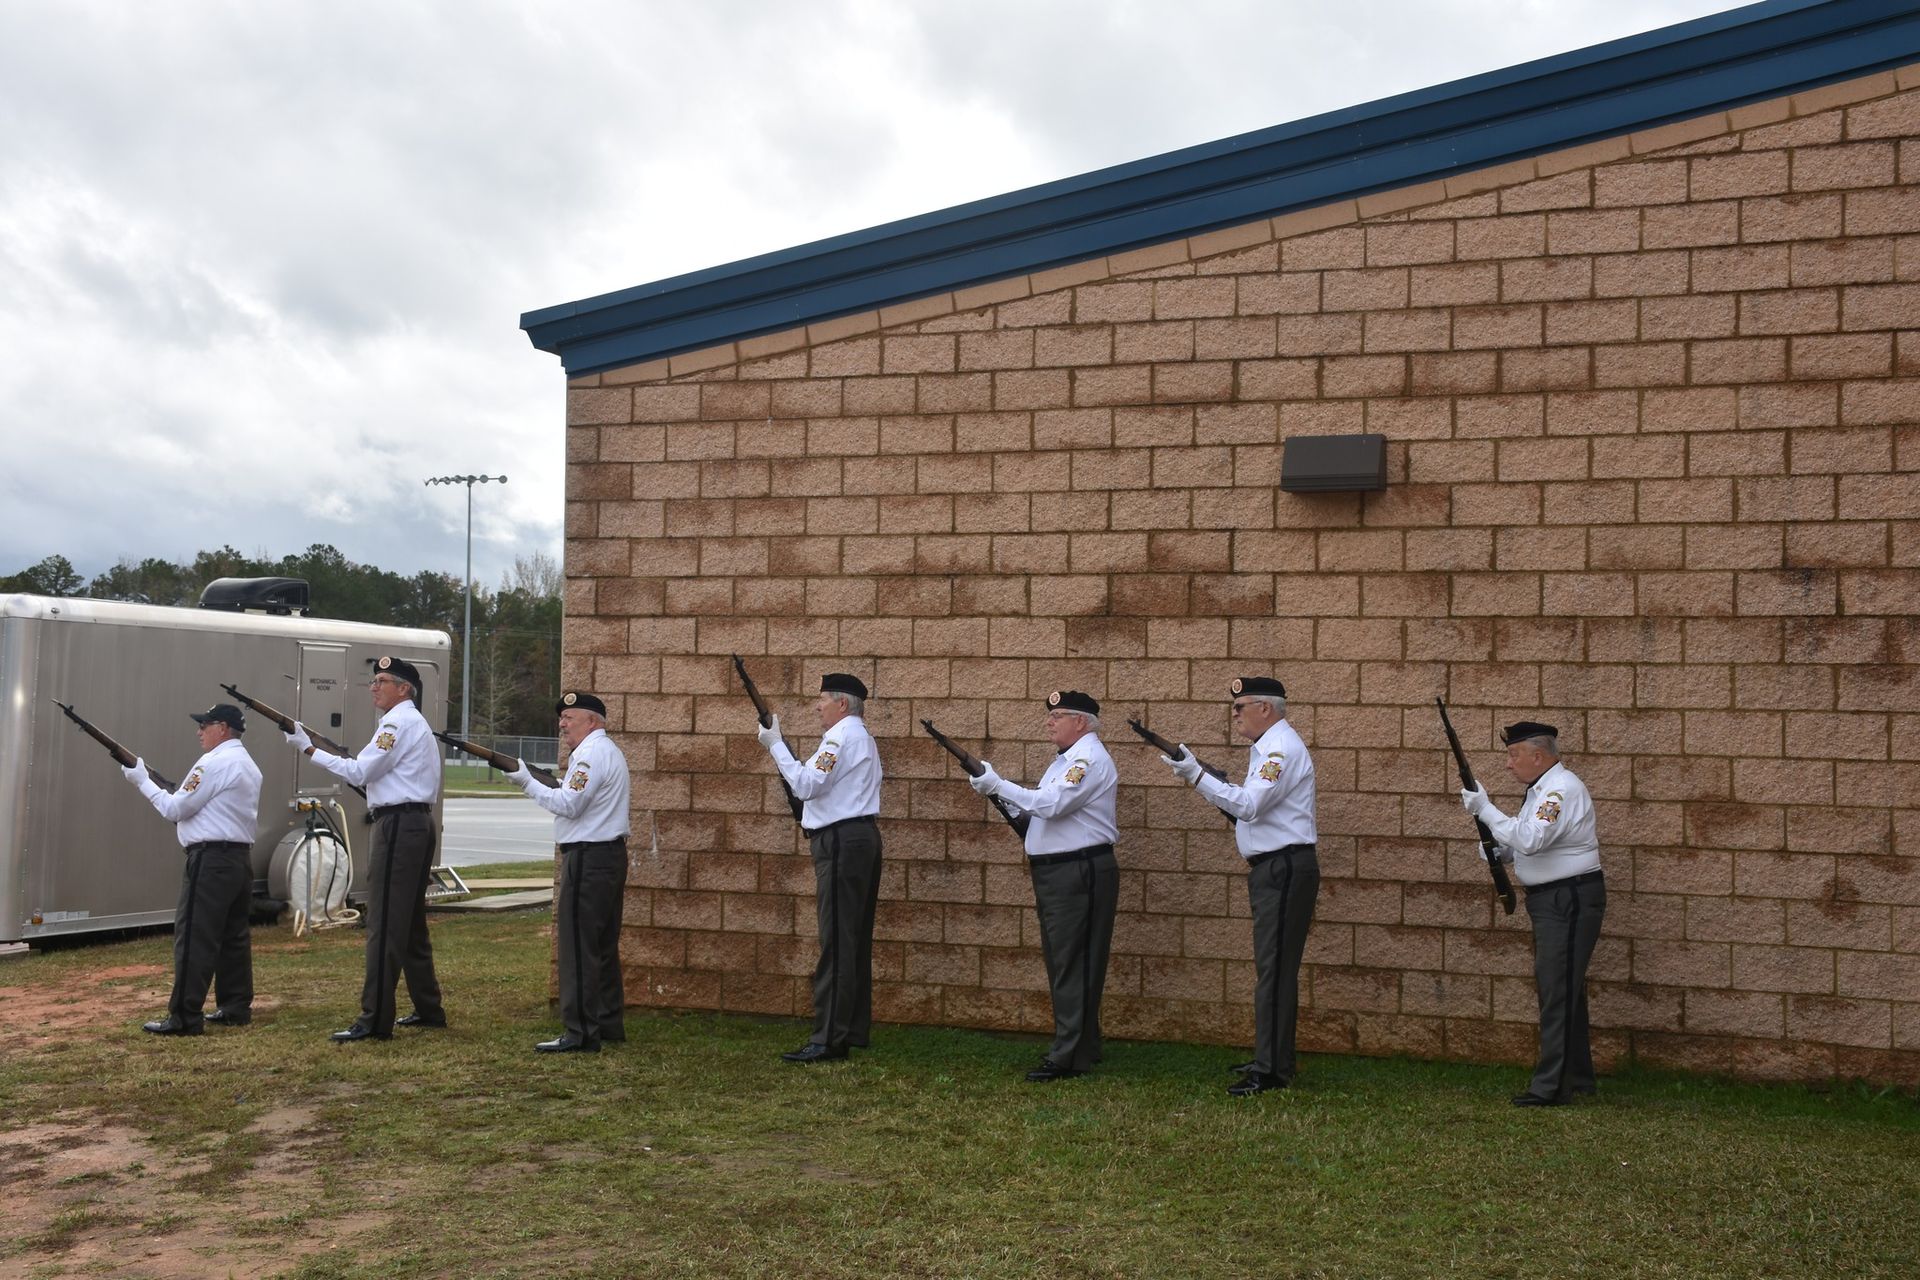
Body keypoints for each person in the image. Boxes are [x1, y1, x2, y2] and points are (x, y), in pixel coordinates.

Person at [1158, 677, 1318, 1096]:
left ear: (1265, 708)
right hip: (1274, 868)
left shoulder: (1280, 750)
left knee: (1274, 971)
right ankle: (1274, 1057)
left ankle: (1271, 1070)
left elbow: (1248, 806)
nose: (1234, 714)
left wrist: (1196, 775)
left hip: (1283, 868)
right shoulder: (1267, 749)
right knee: (1272, 969)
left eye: (1240, 706)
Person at [284, 655, 446, 1043]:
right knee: (409, 924)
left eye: (383, 681)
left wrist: (308, 749)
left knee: (386, 922)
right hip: (414, 822)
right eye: (374, 681)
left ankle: (375, 1019)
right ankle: (428, 1008)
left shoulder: (396, 723)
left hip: (399, 825)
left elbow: (360, 771)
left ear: (404, 689)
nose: (374, 687)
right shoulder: (410, 722)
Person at [968, 691, 1118, 1082]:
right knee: (1065, 961)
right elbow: (1041, 810)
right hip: (1060, 871)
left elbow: (1050, 804)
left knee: (1073, 963)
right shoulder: (1064, 761)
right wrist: (999, 795)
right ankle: (1082, 1045)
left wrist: (998, 784)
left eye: (1058, 715)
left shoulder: (1087, 760)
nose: (1049, 722)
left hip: (1077, 870)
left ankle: (1068, 1055)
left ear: (1080, 722)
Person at [1461, 720, 1605, 1107]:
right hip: (1554, 899)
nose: (1509, 764)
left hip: (1568, 898)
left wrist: (1485, 809)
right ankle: (1577, 1077)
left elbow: (1530, 838)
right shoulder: (1540, 791)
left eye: (1514, 755)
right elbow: (1524, 844)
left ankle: (1551, 1087)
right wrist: (1496, 850)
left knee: (1557, 989)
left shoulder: (1560, 790)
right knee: (1562, 987)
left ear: (1538, 756)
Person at [756, 672, 883, 1063]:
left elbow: (807, 786)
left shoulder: (839, 738)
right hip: (858, 839)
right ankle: (850, 1028)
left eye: (823, 699)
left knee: (838, 941)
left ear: (842, 704)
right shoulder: (860, 737)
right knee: (853, 940)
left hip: (842, 842)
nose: (817, 706)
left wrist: (776, 745)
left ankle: (829, 1038)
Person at [121, 703, 263, 1036]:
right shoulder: (248, 764)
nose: (199, 731)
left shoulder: (213, 762)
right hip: (238, 859)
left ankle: (184, 1017)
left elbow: (175, 809)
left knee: (194, 939)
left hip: (210, 860)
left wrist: (142, 780)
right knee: (233, 937)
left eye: (205, 725)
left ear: (223, 728)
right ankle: (235, 1007)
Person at [507, 691, 630, 1054]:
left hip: (589, 858)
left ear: (592, 721)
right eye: (561, 718)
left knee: (578, 946)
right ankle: (606, 1022)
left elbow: (570, 805)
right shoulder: (605, 751)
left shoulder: (590, 755)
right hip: (606, 856)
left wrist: (526, 782)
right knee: (601, 944)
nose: (562, 724)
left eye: (569, 718)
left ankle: (580, 1032)